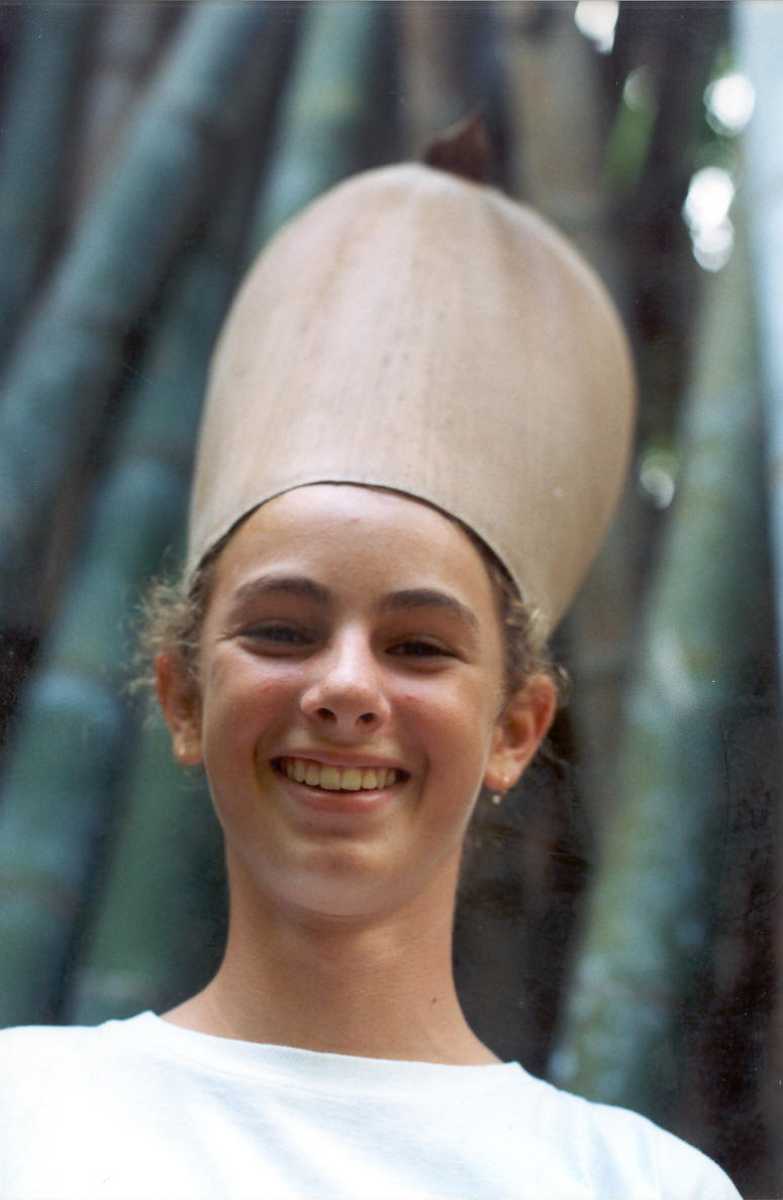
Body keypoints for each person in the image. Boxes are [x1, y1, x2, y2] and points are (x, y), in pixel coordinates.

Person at [0, 134, 742, 1198]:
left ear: (515, 729)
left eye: (419, 647)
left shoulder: (637, 1184)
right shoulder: (24, 1115)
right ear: (183, 696)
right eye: (282, 631)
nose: (346, 688)